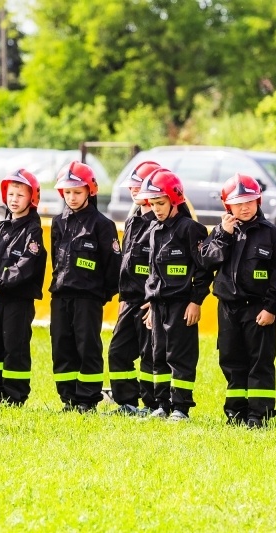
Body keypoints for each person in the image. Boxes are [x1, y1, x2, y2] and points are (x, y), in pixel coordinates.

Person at [201, 174, 276, 427]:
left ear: (258, 200)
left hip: (258, 308)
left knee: (259, 362)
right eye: (238, 203)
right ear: (228, 206)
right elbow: (206, 261)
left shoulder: (272, 234)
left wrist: (271, 307)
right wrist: (224, 235)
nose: (244, 207)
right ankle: (235, 413)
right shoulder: (221, 231)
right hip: (228, 308)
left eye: (249, 201)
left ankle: (258, 415)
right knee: (230, 360)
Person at [137, 169, 213, 422]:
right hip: (158, 305)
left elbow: (203, 269)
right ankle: (162, 404)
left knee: (179, 356)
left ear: (175, 199)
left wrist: (196, 301)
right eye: (152, 203)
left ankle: (181, 408)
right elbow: (152, 271)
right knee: (158, 354)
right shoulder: (153, 229)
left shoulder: (191, 229)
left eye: (161, 203)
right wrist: (150, 301)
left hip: (182, 304)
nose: (156, 209)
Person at [0, 170, 47, 406]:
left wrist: (0, 283)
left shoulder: (33, 231)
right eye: (11, 194)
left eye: (20, 195)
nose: (14, 199)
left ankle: (15, 397)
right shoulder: (0, 228)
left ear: (32, 198)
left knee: (15, 348)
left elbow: (27, 265)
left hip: (18, 301)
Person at [49, 161, 120, 413]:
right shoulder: (57, 223)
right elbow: (54, 261)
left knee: (87, 346)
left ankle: (87, 400)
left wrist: (102, 294)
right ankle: (68, 399)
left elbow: (113, 266)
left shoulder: (102, 225)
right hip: (60, 296)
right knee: (61, 345)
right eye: (67, 192)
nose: (72, 197)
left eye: (77, 192)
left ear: (91, 190)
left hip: (88, 298)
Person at [106, 161, 163, 416]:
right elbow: (127, 264)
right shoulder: (133, 220)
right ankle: (126, 403)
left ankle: (154, 405)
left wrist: (155, 300)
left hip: (151, 301)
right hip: (130, 300)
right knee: (118, 351)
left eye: (138, 186)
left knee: (150, 355)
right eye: (132, 186)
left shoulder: (163, 222)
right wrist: (123, 295)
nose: (133, 191)